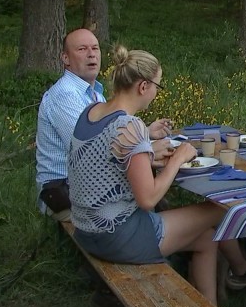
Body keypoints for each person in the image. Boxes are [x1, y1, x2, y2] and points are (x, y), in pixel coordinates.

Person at [67, 45, 246, 307]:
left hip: (85, 228)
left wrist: (149, 158)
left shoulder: (92, 112)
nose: (157, 91)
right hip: (117, 235)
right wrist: (178, 158)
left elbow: (104, 163)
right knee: (224, 207)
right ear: (143, 86)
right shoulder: (130, 126)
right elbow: (148, 199)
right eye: (158, 85)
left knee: (205, 238)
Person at [36, 28, 173, 222]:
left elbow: (104, 137)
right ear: (65, 58)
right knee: (148, 198)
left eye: (95, 48)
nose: (91, 54)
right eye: (82, 49)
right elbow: (90, 153)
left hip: (88, 185)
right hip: (63, 192)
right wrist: (146, 150)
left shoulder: (95, 93)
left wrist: (147, 134)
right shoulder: (65, 95)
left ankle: (167, 237)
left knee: (152, 195)